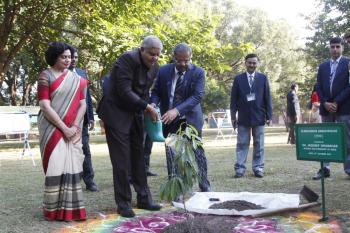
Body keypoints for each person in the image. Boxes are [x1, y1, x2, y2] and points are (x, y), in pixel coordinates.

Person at [97, 35, 163, 218]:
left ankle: (144, 198)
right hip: (116, 113)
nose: (154, 58)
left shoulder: (155, 67)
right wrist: (147, 107)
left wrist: (148, 107)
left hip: (135, 113)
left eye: (158, 55)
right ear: (142, 49)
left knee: (139, 157)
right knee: (121, 161)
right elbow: (124, 91)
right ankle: (124, 203)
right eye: (151, 54)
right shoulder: (126, 60)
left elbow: (144, 92)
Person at [151, 43, 211, 192]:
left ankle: (204, 185)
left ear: (191, 58)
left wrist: (176, 111)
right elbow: (156, 91)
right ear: (174, 57)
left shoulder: (198, 73)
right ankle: (176, 189)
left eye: (187, 60)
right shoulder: (164, 71)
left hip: (191, 119)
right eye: (180, 61)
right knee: (172, 154)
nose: (183, 64)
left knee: (198, 153)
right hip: (169, 120)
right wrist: (153, 103)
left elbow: (197, 96)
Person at [37, 42, 87, 221]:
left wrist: (74, 127)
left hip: (72, 127)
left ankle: (72, 210)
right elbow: (44, 105)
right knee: (55, 165)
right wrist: (63, 127)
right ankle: (53, 210)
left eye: (69, 57)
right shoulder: (46, 76)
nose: (68, 60)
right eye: (63, 57)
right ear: (54, 57)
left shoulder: (77, 80)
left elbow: (83, 104)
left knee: (72, 164)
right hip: (51, 128)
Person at [312, 37, 350, 180]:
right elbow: (318, 87)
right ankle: (325, 169)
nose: (335, 49)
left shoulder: (348, 63)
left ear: (342, 48)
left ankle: (349, 169)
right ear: (329, 48)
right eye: (332, 47)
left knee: (347, 140)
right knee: (325, 140)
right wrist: (325, 102)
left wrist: (337, 102)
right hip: (326, 108)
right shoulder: (322, 66)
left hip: (344, 108)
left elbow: (349, 86)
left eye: (337, 46)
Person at [230, 53, 272, 178]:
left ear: (257, 64)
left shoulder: (263, 78)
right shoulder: (238, 79)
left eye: (254, 63)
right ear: (245, 63)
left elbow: (267, 98)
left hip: (259, 116)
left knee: (259, 144)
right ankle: (240, 168)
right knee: (242, 143)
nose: (252, 65)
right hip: (243, 116)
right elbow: (233, 99)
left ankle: (258, 168)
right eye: (249, 62)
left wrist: (269, 115)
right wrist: (233, 116)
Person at [69, 46, 99, 192]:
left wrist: (91, 117)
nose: (73, 60)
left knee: (85, 149)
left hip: (83, 121)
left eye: (75, 57)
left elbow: (87, 97)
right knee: (70, 151)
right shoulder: (60, 74)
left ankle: (90, 181)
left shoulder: (81, 73)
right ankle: (73, 182)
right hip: (67, 121)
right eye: (70, 57)